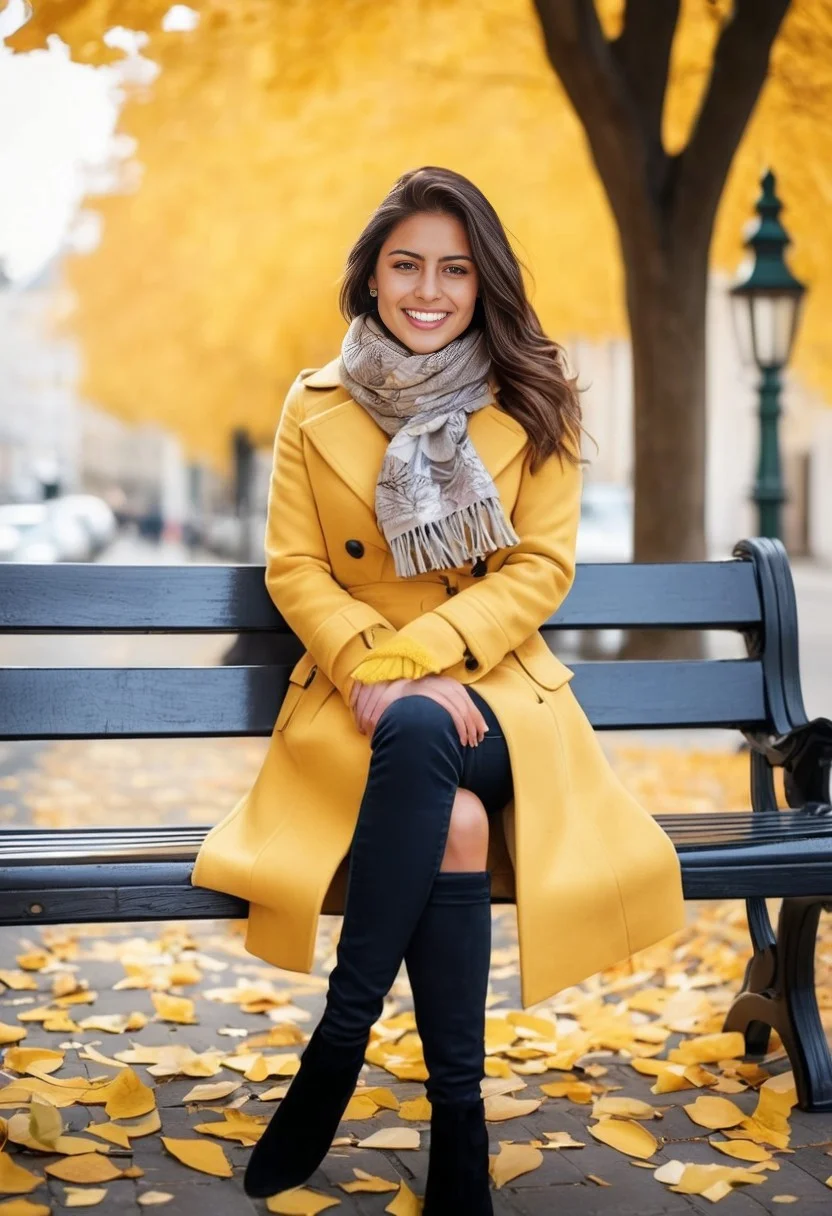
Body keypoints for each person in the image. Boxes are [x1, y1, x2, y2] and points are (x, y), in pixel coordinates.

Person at [191, 166, 687, 1212]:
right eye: (406, 264)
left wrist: (421, 663)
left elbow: (539, 571)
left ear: (482, 283)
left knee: (429, 733)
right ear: (370, 278)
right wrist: (375, 667)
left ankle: (339, 1040)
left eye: (454, 269)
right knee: (453, 821)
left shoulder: (534, 396)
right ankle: (457, 1120)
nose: (429, 288)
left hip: (499, 695)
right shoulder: (312, 404)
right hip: (356, 702)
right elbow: (295, 567)